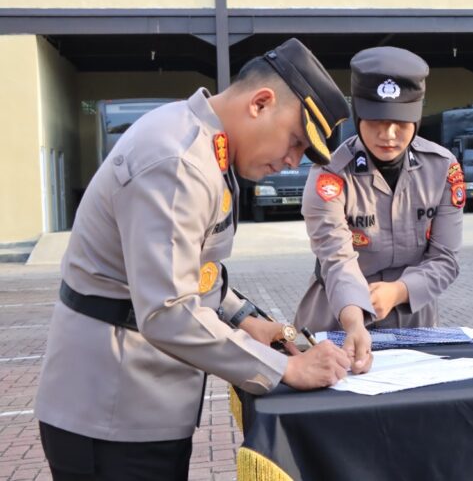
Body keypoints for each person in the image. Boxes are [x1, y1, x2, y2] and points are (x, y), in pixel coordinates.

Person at [35, 38, 357, 480]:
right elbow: (168, 311)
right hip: (112, 415)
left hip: (138, 406)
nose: (292, 162)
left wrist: (246, 318)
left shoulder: (204, 147)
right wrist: (287, 368)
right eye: (296, 142)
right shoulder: (178, 159)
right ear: (261, 103)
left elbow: (196, 269)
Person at [294, 46, 464, 333]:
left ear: (416, 119)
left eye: (400, 123)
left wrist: (398, 291)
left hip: (413, 320)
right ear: (359, 117)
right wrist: (354, 317)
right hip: (338, 317)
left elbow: (445, 259)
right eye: (375, 123)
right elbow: (336, 258)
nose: (388, 136)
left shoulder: (442, 169)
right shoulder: (331, 174)